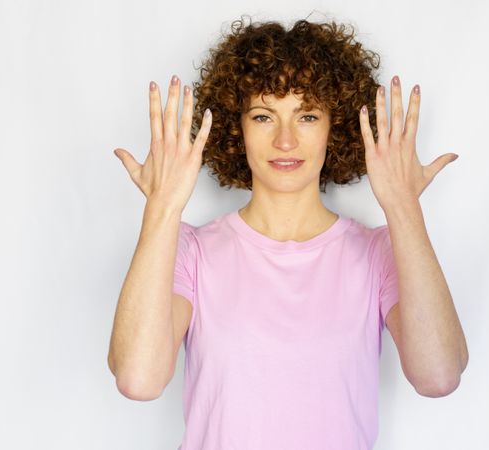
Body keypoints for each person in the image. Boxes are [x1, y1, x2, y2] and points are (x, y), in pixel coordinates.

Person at [108, 16, 468, 450]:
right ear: (235, 128)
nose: (284, 141)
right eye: (263, 116)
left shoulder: (377, 253)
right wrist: (162, 207)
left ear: (334, 127)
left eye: (307, 116)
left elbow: (438, 375)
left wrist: (403, 207)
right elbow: (138, 379)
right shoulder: (190, 250)